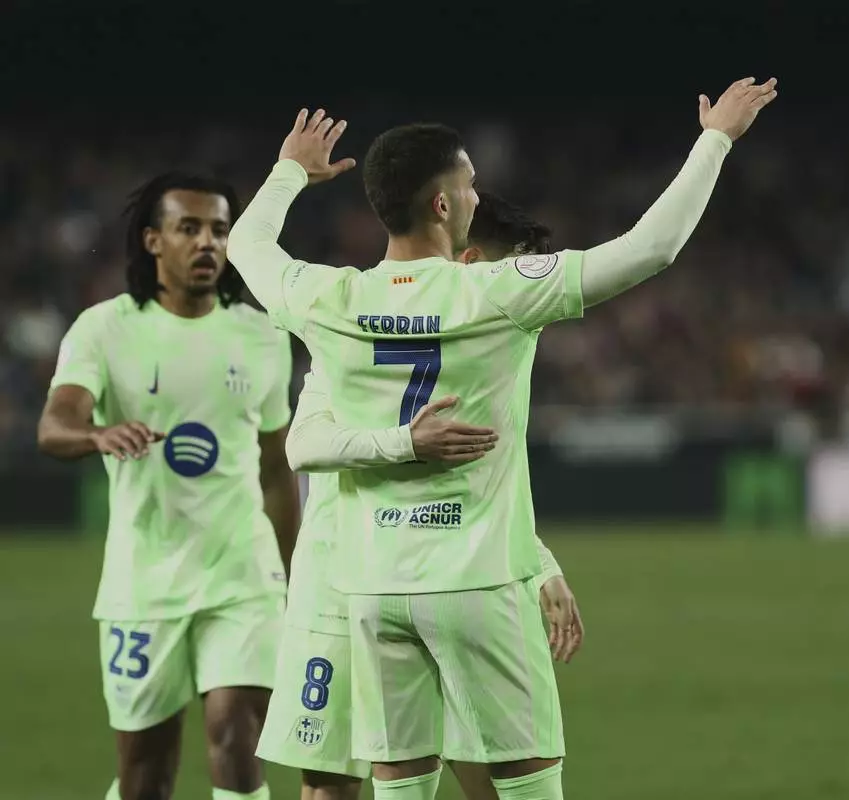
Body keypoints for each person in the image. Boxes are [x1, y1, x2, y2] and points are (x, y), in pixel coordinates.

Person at [227, 76, 777, 800]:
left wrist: (290, 170)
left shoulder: (327, 297)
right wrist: (716, 140)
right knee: (525, 784)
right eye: (470, 185)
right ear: (442, 205)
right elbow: (652, 247)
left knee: (400, 783)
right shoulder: (494, 291)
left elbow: (246, 243)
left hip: (371, 588)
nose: (477, 198)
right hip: (475, 583)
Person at [256, 191, 584, 800]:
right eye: (510, 268)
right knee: (331, 782)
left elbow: (475, 491)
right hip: (340, 580)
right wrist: (405, 442)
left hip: (430, 573)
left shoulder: (483, 352)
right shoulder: (358, 328)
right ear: (470, 259)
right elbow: (305, 443)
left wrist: (540, 565)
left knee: (479, 772)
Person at [37, 172, 300, 800]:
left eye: (219, 230)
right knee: (146, 772)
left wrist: (294, 578)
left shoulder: (263, 335)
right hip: (144, 583)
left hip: (243, 577)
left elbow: (275, 468)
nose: (208, 242)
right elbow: (54, 425)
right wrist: (95, 434)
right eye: (189, 228)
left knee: (236, 736)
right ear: (153, 240)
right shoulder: (104, 329)